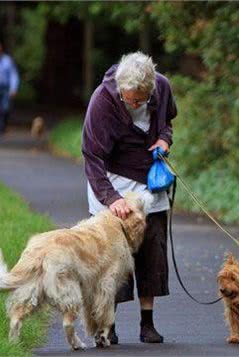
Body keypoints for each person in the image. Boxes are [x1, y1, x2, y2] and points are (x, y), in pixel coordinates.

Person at [82, 52, 177, 344]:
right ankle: (108, 324)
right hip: (112, 181)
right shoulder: (102, 100)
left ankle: (147, 322)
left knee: (152, 247)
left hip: (150, 182)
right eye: (130, 100)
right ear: (121, 89)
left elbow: (167, 124)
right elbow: (92, 156)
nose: (135, 104)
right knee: (113, 258)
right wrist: (112, 198)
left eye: (141, 100)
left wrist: (164, 140)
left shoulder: (161, 86)